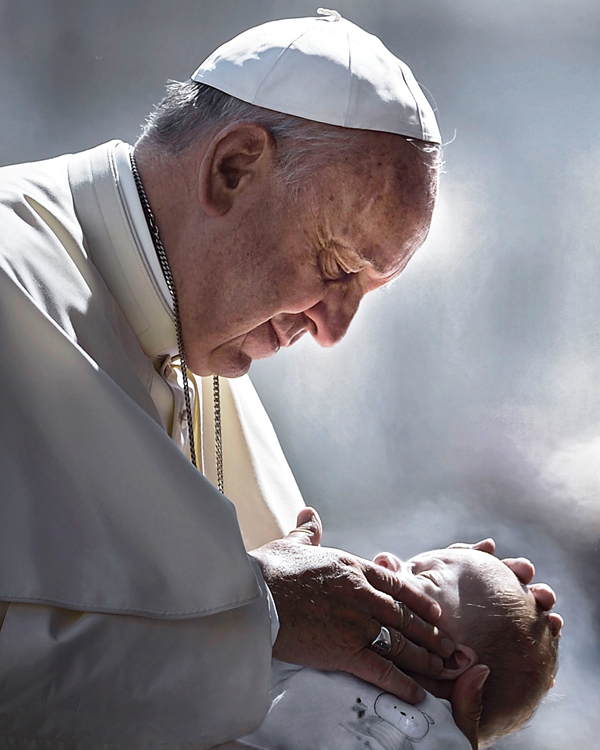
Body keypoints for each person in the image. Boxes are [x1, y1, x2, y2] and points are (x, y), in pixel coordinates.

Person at [0, 9, 560, 749]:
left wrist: (461, 649)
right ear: (233, 169)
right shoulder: (16, 283)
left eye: (365, 293)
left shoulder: (196, 336)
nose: (331, 333)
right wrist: (262, 614)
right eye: (334, 270)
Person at [226, 541, 561, 750]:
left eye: (425, 576)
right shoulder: (319, 640)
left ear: (454, 658)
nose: (385, 558)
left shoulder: (441, 737)